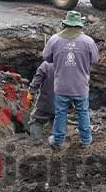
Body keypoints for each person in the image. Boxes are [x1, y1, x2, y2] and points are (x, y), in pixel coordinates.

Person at [42, 11, 99, 148]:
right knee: (83, 112)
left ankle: (58, 140)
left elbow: (47, 58)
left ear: (65, 24)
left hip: (62, 86)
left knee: (61, 113)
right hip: (80, 86)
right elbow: (95, 60)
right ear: (80, 25)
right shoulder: (88, 41)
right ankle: (85, 140)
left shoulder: (55, 39)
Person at [26, 61, 55, 141]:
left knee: (36, 120)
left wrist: (30, 95)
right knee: (57, 121)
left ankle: (37, 142)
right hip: (62, 102)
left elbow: (36, 82)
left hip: (46, 102)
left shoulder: (46, 65)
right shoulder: (66, 65)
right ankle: (57, 143)